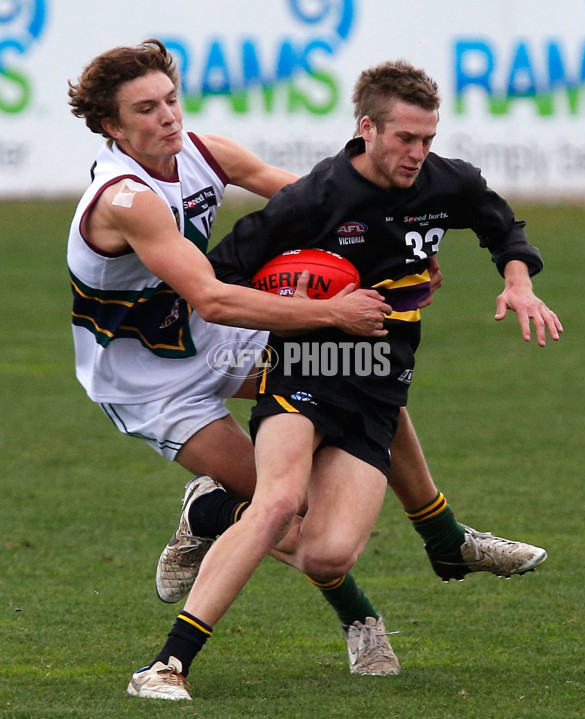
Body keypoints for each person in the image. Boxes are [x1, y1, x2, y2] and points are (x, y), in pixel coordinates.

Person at [65, 41, 553, 697]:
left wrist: (391, 244)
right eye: (145, 110)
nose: (168, 118)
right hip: (149, 375)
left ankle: (445, 534)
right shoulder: (126, 200)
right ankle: (313, 586)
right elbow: (213, 292)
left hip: (212, 330)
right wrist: (334, 312)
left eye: (171, 100)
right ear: (112, 127)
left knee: (360, 369)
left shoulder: (210, 155)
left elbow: (313, 200)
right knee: (285, 513)